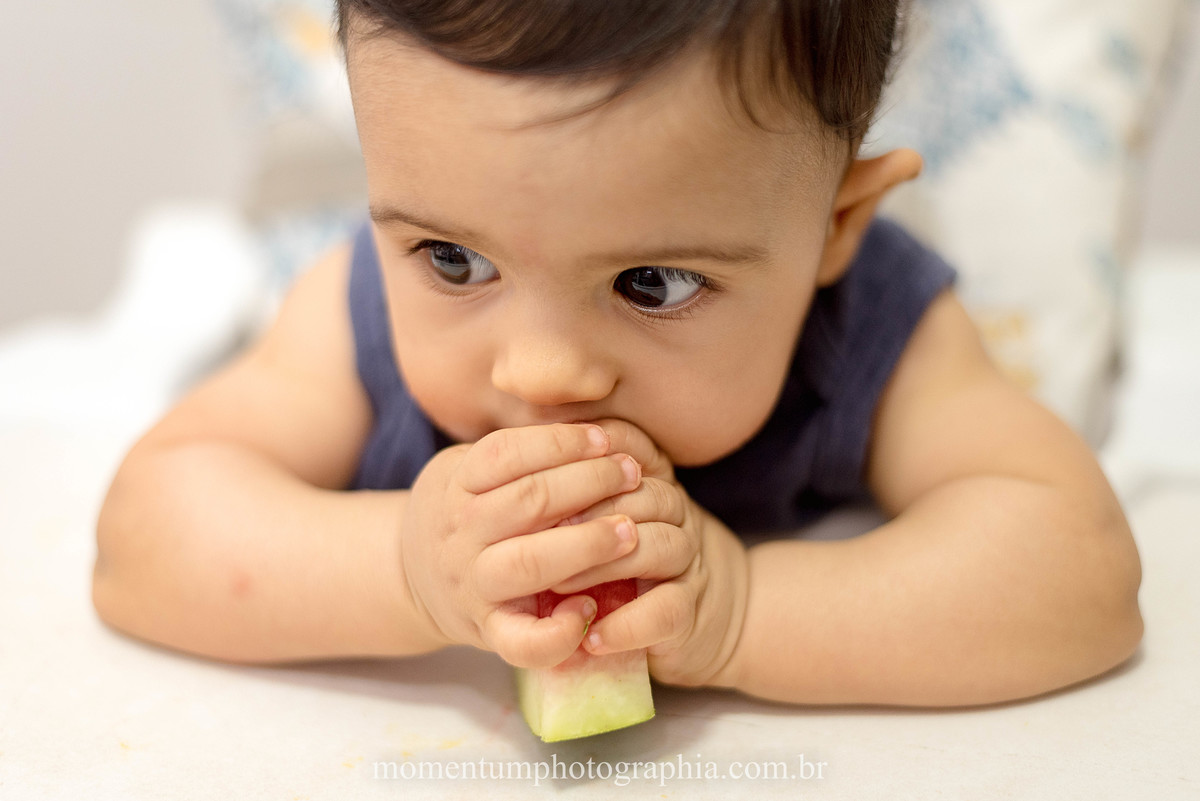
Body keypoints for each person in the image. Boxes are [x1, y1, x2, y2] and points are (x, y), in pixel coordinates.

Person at [92, 0, 1143, 706]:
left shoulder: (870, 323)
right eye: (455, 261)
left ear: (832, 228)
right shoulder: (354, 311)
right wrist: (406, 569)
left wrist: (742, 613)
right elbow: (143, 536)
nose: (541, 373)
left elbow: (1081, 569)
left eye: (654, 284)